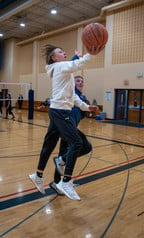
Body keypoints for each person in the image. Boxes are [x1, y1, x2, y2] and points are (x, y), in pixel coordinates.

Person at [29, 44, 99, 201]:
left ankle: (38, 175)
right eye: (61, 52)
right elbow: (76, 64)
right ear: (54, 57)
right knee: (76, 143)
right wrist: (90, 53)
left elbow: (73, 97)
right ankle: (65, 181)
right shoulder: (60, 66)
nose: (64, 53)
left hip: (57, 111)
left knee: (49, 144)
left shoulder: (64, 71)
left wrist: (87, 107)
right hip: (61, 112)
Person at [50, 75, 92, 192]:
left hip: (70, 129)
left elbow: (82, 113)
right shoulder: (70, 94)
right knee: (86, 146)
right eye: (78, 80)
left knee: (63, 157)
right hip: (67, 127)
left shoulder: (82, 98)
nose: (80, 82)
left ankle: (56, 182)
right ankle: (61, 177)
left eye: (82, 81)